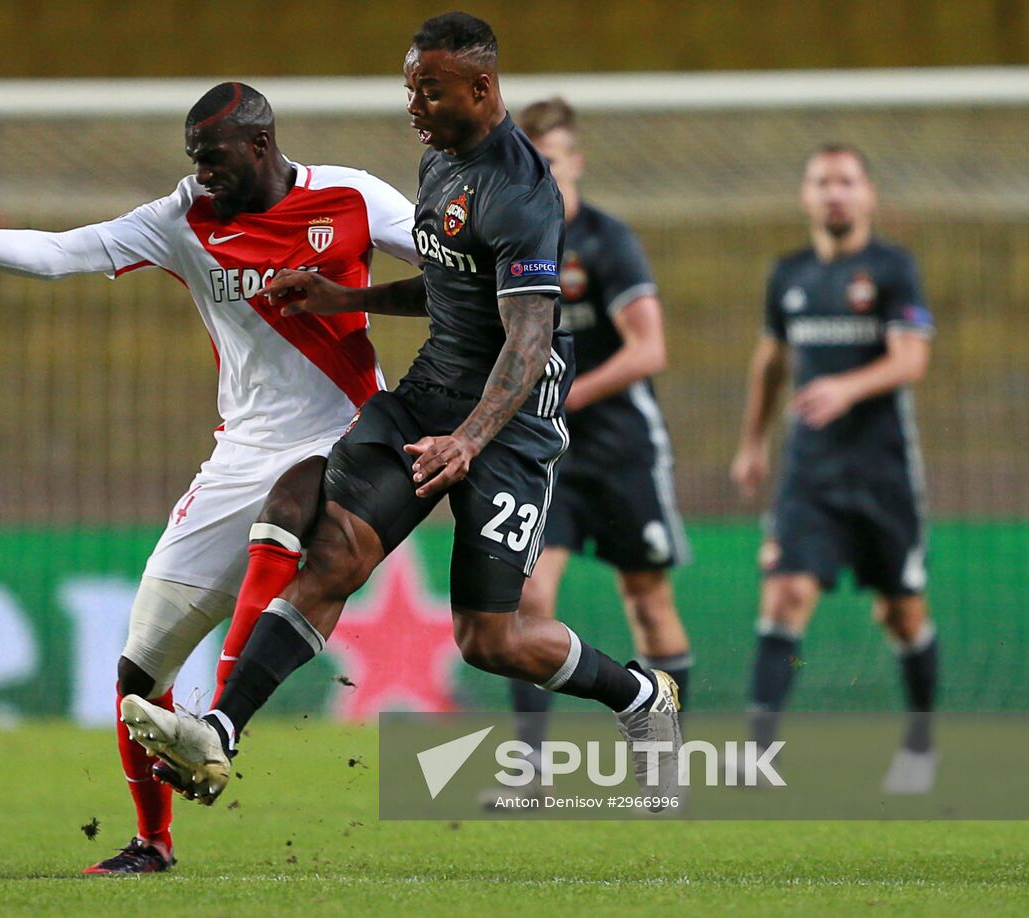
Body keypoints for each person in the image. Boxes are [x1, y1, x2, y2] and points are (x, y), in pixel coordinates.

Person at [122, 12, 682, 809]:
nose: (413, 104)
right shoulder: (439, 165)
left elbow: (527, 338)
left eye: (429, 89)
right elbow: (450, 287)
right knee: (336, 551)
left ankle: (637, 695)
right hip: (426, 398)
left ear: (481, 87)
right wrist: (343, 296)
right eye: (410, 87)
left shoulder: (523, 192)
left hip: (509, 423)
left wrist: (470, 439)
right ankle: (221, 732)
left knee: (490, 639)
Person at [0, 81, 419, 873]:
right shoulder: (181, 219)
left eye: (214, 159)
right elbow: (60, 254)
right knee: (135, 674)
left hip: (347, 431)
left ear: (260, 147)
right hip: (240, 451)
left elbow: (452, 272)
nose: (201, 174)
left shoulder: (353, 197)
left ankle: (221, 729)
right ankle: (152, 843)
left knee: (287, 509)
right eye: (194, 160)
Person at [484, 97, 694, 807]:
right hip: (553, 454)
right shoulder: (516, 246)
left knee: (648, 599)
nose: (544, 169)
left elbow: (651, 348)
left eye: (554, 157)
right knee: (529, 593)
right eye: (531, 158)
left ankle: (667, 766)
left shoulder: (607, 242)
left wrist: (569, 391)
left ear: (575, 162)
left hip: (623, 447)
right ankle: (532, 771)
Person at [729, 144, 937, 793]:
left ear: (869, 194)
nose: (835, 193)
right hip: (810, 473)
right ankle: (759, 753)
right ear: (806, 196)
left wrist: (847, 389)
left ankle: (920, 743)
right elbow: (769, 363)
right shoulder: (787, 275)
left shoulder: (892, 269)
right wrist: (752, 444)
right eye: (822, 182)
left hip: (884, 474)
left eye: (846, 181)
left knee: (900, 614)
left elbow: (911, 360)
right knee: (786, 595)